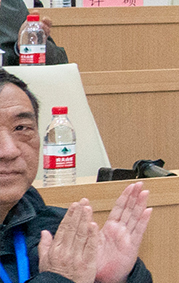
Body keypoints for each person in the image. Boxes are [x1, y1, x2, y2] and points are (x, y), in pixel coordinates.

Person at [0, 70, 152, 282]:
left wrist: (109, 279)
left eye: (21, 128)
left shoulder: (59, 230)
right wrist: (60, 279)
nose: (8, 151)